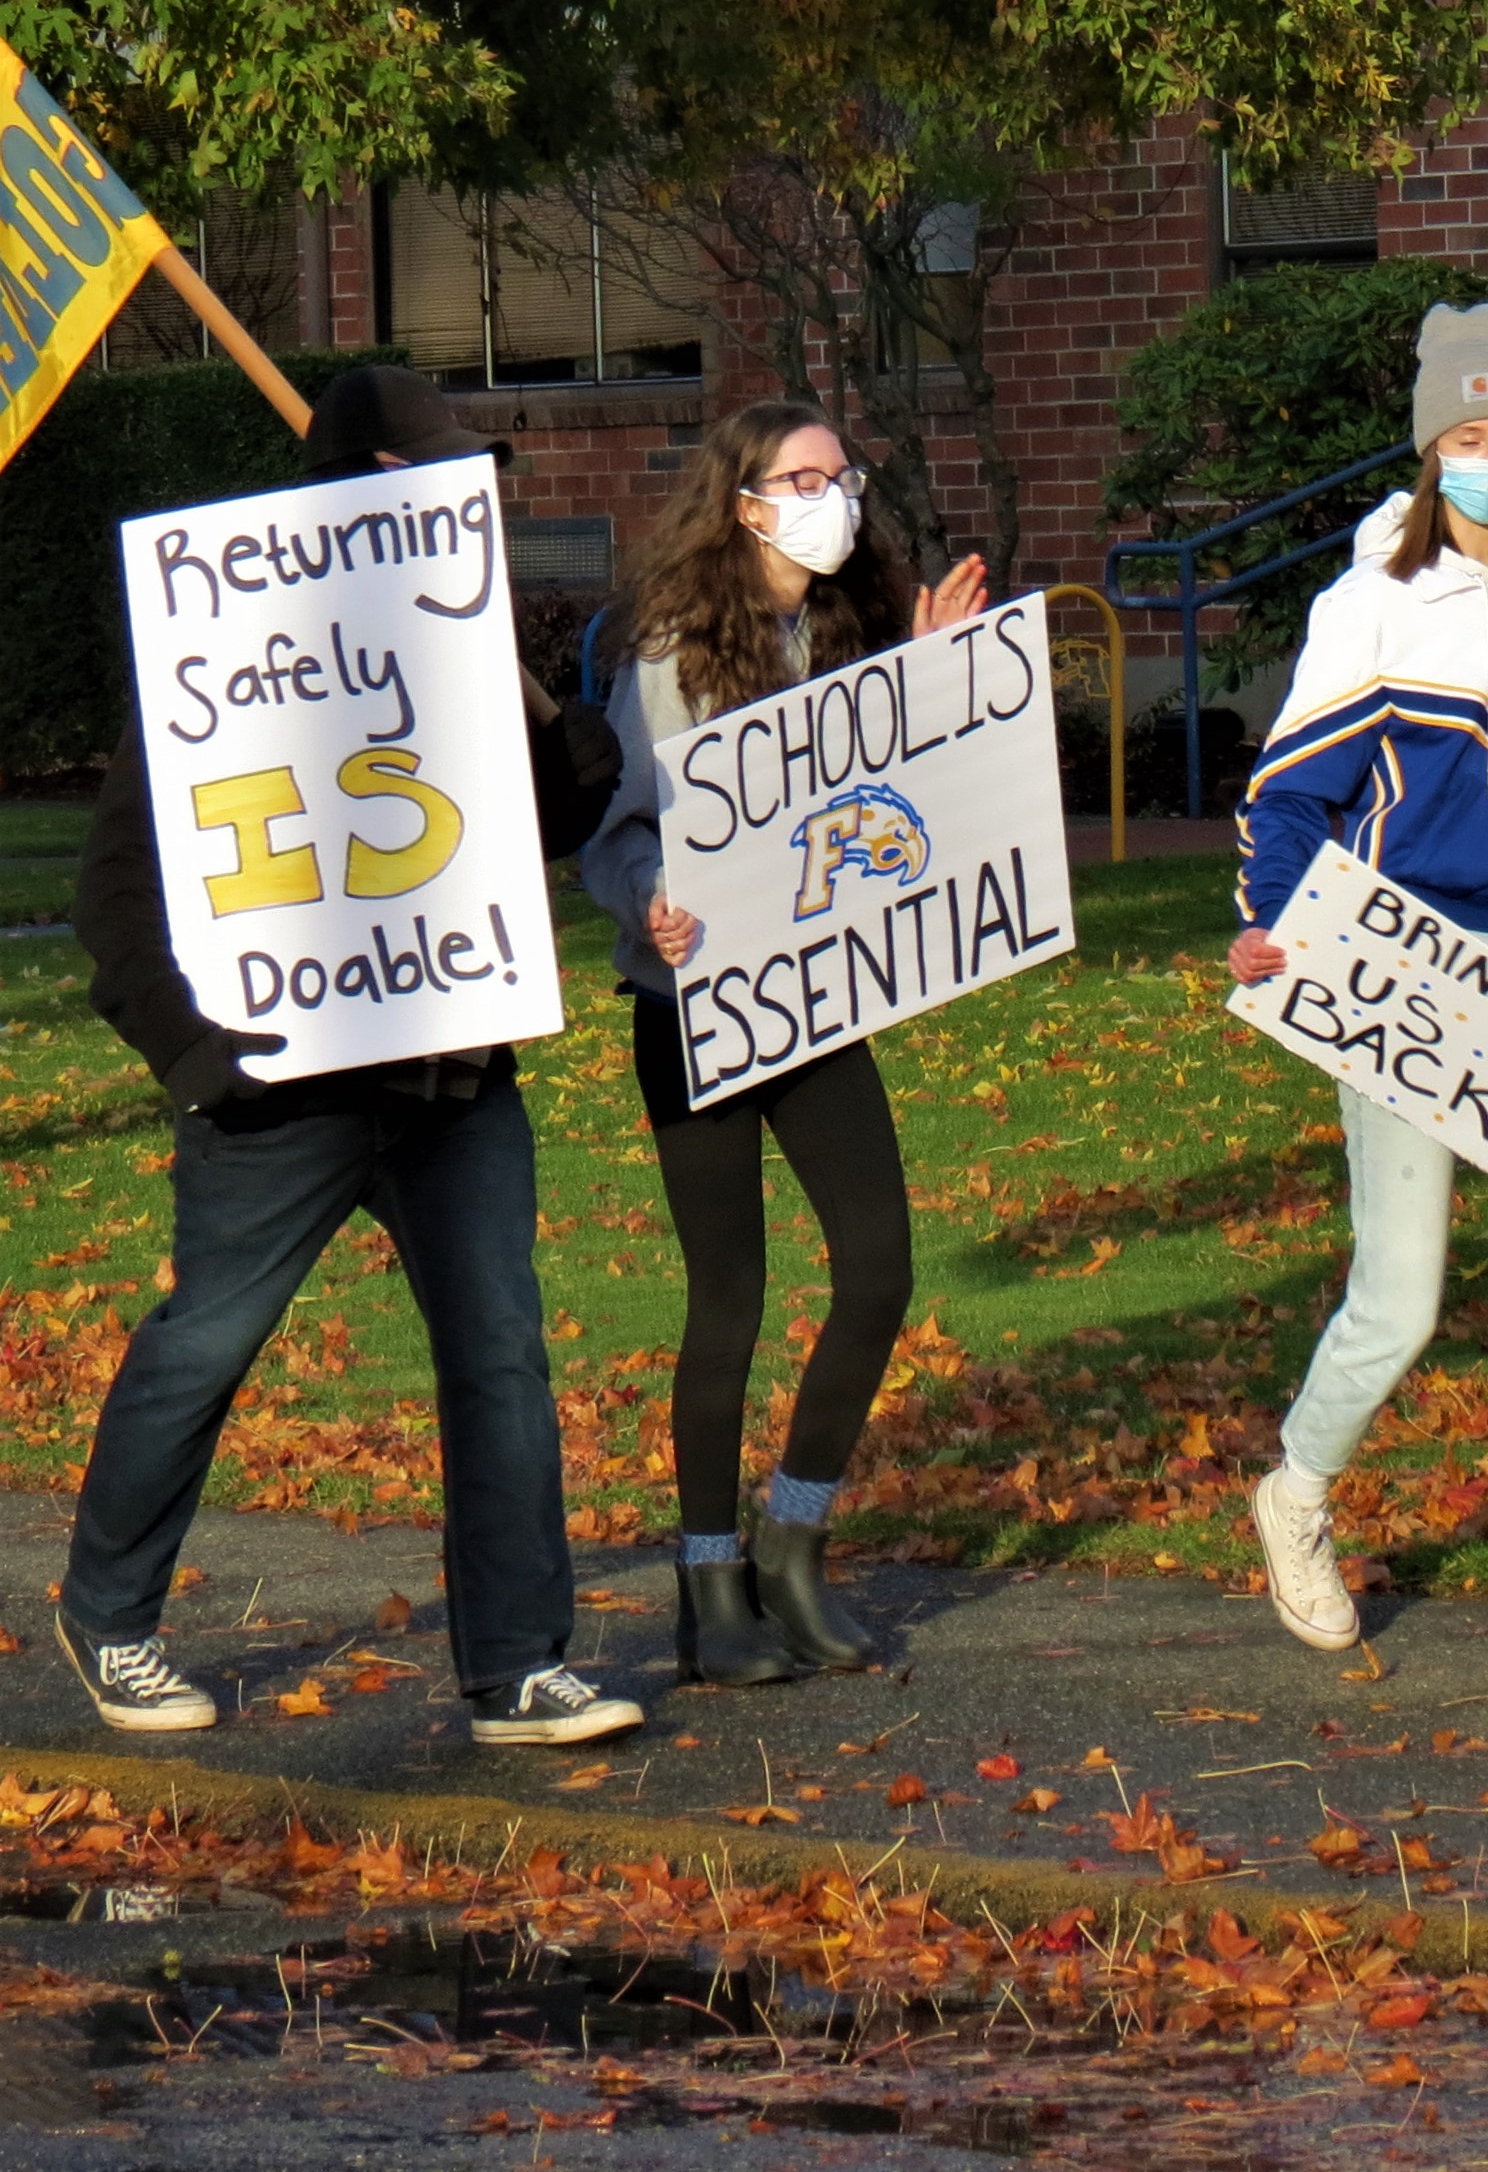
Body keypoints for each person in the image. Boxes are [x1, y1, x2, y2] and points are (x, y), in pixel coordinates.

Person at [62, 364, 643, 1747]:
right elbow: (116, 892)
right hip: (278, 1090)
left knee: (500, 1352)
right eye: (425, 470)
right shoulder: (228, 660)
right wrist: (198, 1060)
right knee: (206, 1343)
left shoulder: (464, 649)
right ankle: (111, 1618)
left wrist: (526, 693)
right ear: (352, 494)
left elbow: (569, 808)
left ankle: (515, 1664)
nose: (464, 493)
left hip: (454, 1079)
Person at [1224, 302, 1488, 1687]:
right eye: (1467, 435)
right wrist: (1268, 928)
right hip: (1403, 959)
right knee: (1400, 1297)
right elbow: (1287, 797)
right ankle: (1295, 1490)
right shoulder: (1370, 608)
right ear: (1428, 456)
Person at [582, 399, 983, 1687]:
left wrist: (936, 681)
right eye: (804, 478)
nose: (834, 495)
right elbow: (621, 828)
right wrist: (651, 901)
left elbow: (905, 808)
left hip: (818, 1002)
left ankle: (792, 1545)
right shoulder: (668, 649)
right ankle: (709, 1585)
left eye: (843, 474)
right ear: (743, 501)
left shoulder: (851, 628)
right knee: (729, 1303)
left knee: (878, 1267)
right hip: (695, 1009)